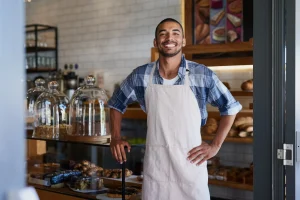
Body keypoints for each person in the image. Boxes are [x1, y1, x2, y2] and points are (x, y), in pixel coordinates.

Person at [108, 18, 242, 200]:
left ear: (183, 41)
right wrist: (115, 137)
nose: (169, 37)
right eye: (163, 33)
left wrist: (215, 146)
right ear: (156, 42)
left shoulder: (201, 74)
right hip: (157, 168)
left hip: (191, 167)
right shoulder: (141, 75)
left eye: (175, 33)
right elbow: (116, 103)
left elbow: (230, 107)